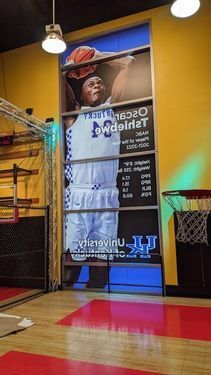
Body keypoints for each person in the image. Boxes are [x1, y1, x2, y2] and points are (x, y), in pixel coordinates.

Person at [64, 48, 134, 288]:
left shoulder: (111, 108)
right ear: (81, 94)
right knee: (72, 257)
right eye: (90, 82)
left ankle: (96, 307)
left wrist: (98, 55)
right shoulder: (73, 114)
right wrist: (69, 69)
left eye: (99, 82)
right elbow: (61, 84)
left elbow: (127, 64)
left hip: (106, 192)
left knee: (101, 259)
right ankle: (63, 303)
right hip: (79, 193)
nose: (95, 84)